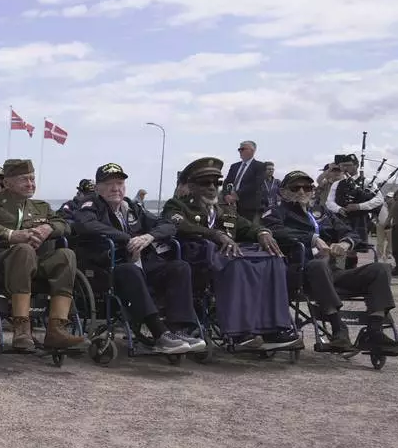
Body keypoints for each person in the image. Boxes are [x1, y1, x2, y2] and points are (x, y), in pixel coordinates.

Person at [163, 157, 298, 351]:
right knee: (238, 264)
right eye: (205, 183)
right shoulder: (177, 206)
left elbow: (250, 227)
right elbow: (182, 225)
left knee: (274, 260)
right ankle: (240, 333)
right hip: (197, 261)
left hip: (226, 259)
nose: (212, 187)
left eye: (217, 183)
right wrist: (216, 234)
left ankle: (274, 329)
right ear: (191, 186)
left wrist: (263, 233)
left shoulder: (226, 212)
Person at [263, 170, 398, 355]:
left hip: (333, 271)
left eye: (307, 187)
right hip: (302, 273)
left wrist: (345, 243)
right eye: (295, 187)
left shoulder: (323, 213)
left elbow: (350, 232)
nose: (302, 191)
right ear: (283, 192)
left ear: (313, 190)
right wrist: (312, 239)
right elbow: (275, 232)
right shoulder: (277, 212)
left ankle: (374, 332)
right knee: (318, 265)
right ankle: (339, 329)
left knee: (381, 268)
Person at [72, 163, 204, 354]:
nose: (115, 188)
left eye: (119, 183)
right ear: (98, 187)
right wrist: (127, 239)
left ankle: (179, 330)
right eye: (109, 184)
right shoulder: (91, 206)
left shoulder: (132, 207)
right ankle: (160, 334)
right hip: (107, 268)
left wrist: (149, 236)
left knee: (179, 267)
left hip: (141, 264)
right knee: (130, 270)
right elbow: (86, 225)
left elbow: (168, 225)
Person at [0, 159, 87, 352]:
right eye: (24, 179)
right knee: (24, 249)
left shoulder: (41, 206)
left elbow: (65, 225)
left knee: (66, 255)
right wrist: (10, 234)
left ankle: (57, 329)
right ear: (8, 182)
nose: (30, 184)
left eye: (32, 179)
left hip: (34, 263)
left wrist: (48, 228)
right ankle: (21, 328)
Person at [325, 153, 382, 251]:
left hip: (359, 219)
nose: (345, 168)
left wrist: (359, 206)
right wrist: (339, 209)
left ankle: (352, 266)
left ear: (357, 165)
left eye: (349, 165)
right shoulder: (337, 184)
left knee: (354, 249)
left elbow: (379, 199)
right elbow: (329, 202)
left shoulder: (367, 182)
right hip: (340, 219)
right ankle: (337, 266)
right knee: (338, 247)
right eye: (343, 165)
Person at [222, 140, 266, 222]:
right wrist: (226, 195)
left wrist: (237, 194)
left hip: (248, 205)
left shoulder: (259, 166)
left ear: (252, 151)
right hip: (230, 204)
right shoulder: (234, 166)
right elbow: (227, 181)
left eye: (242, 149)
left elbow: (256, 184)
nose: (240, 151)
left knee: (245, 228)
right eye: (239, 149)